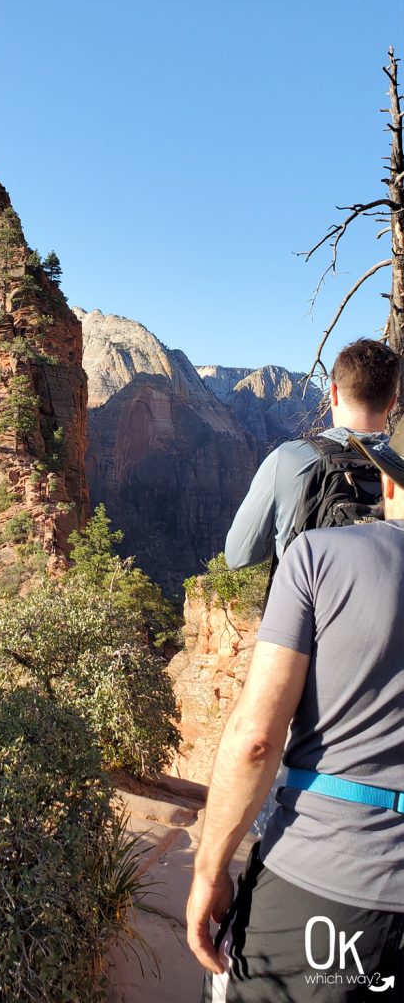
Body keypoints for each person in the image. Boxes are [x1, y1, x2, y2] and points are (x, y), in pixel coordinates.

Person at [186, 416, 404, 1001]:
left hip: (327, 886)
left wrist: (211, 867)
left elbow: (257, 738)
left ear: (386, 481)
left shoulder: (316, 557)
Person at [224, 338, 399, 570]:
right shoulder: (400, 465)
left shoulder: (289, 459)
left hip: (309, 604)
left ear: (333, 393)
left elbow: (238, 556)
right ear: (392, 402)